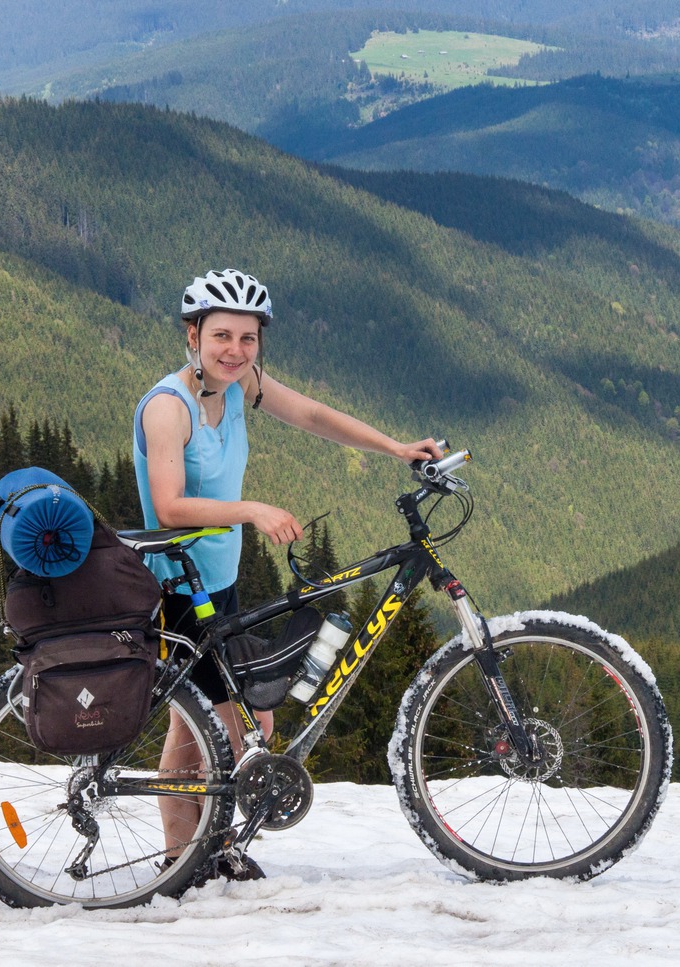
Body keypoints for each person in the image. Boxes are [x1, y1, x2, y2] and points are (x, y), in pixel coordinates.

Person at [133, 268, 441, 882]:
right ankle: (185, 859)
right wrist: (251, 510)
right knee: (212, 725)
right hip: (175, 586)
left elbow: (313, 415)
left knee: (234, 721)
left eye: (247, 339)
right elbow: (168, 507)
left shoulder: (237, 385)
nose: (235, 350)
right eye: (221, 336)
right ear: (192, 336)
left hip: (215, 582)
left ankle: (202, 854)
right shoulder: (169, 408)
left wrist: (395, 447)